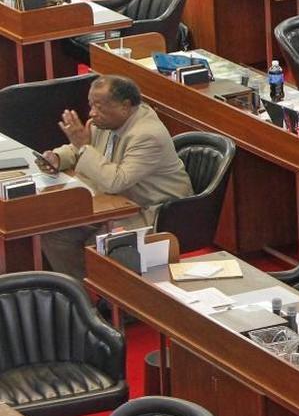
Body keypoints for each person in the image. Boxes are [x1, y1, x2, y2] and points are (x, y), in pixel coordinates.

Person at [37, 75, 193, 280]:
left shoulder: (147, 135)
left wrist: (82, 146)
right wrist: (57, 158)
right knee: (55, 233)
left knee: (96, 243)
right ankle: (82, 298)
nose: (92, 113)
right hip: (114, 204)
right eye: (91, 105)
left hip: (152, 210)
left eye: (99, 107)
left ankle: (106, 298)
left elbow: (116, 180)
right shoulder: (104, 122)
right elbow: (81, 147)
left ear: (125, 106)